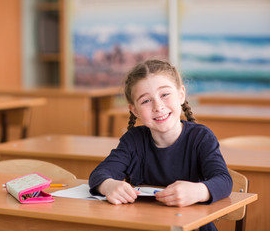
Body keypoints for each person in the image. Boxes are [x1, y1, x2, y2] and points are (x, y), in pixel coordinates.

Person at [89, 59, 232, 231]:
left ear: (181, 95)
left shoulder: (200, 137)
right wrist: (109, 185)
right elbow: (99, 174)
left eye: (165, 95)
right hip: (147, 224)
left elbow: (224, 180)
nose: (158, 106)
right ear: (134, 110)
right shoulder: (133, 140)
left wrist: (198, 191)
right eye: (145, 101)